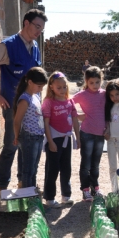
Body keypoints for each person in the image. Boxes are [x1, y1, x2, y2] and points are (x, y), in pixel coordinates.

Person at [0, 8, 47, 195]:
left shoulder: (35, 48)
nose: (38, 31)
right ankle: (2, 186)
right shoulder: (8, 45)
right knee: (12, 144)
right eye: (36, 26)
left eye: (41, 29)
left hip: (32, 107)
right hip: (12, 105)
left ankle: (23, 185)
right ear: (26, 23)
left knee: (26, 146)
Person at [42, 71, 80, 208]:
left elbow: (75, 120)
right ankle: (49, 197)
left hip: (66, 139)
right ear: (51, 86)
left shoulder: (70, 101)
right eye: (59, 87)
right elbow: (46, 123)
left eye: (65, 87)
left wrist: (78, 137)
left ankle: (66, 195)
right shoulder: (48, 102)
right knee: (52, 169)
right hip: (54, 138)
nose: (62, 90)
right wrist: (50, 141)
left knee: (66, 168)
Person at [12, 67, 48, 190]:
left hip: (38, 137)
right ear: (30, 82)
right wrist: (17, 137)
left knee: (34, 168)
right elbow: (17, 121)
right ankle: (28, 198)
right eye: (39, 86)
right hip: (28, 137)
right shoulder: (25, 99)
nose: (41, 89)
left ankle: (31, 193)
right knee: (27, 170)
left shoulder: (36, 96)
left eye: (42, 86)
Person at [74, 66, 106, 201]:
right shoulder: (81, 95)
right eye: (91, 83)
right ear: (86, 81)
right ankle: (85, 189)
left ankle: (95, 187)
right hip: (86, 133)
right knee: (86, 163)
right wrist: (78, 115)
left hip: (100, 134)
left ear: (101, 80)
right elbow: (68, 104)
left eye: (97, 82)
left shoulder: (104, 94)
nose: (95, 85)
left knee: (96, 163)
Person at [105, 80, 119, 194]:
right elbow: (107, 122)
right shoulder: (108, 107)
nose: (114, 97)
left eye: (117, 94)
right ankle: (114, 189)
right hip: (110, 140)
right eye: (112, 95)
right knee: (112, 166)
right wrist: (107, 132)